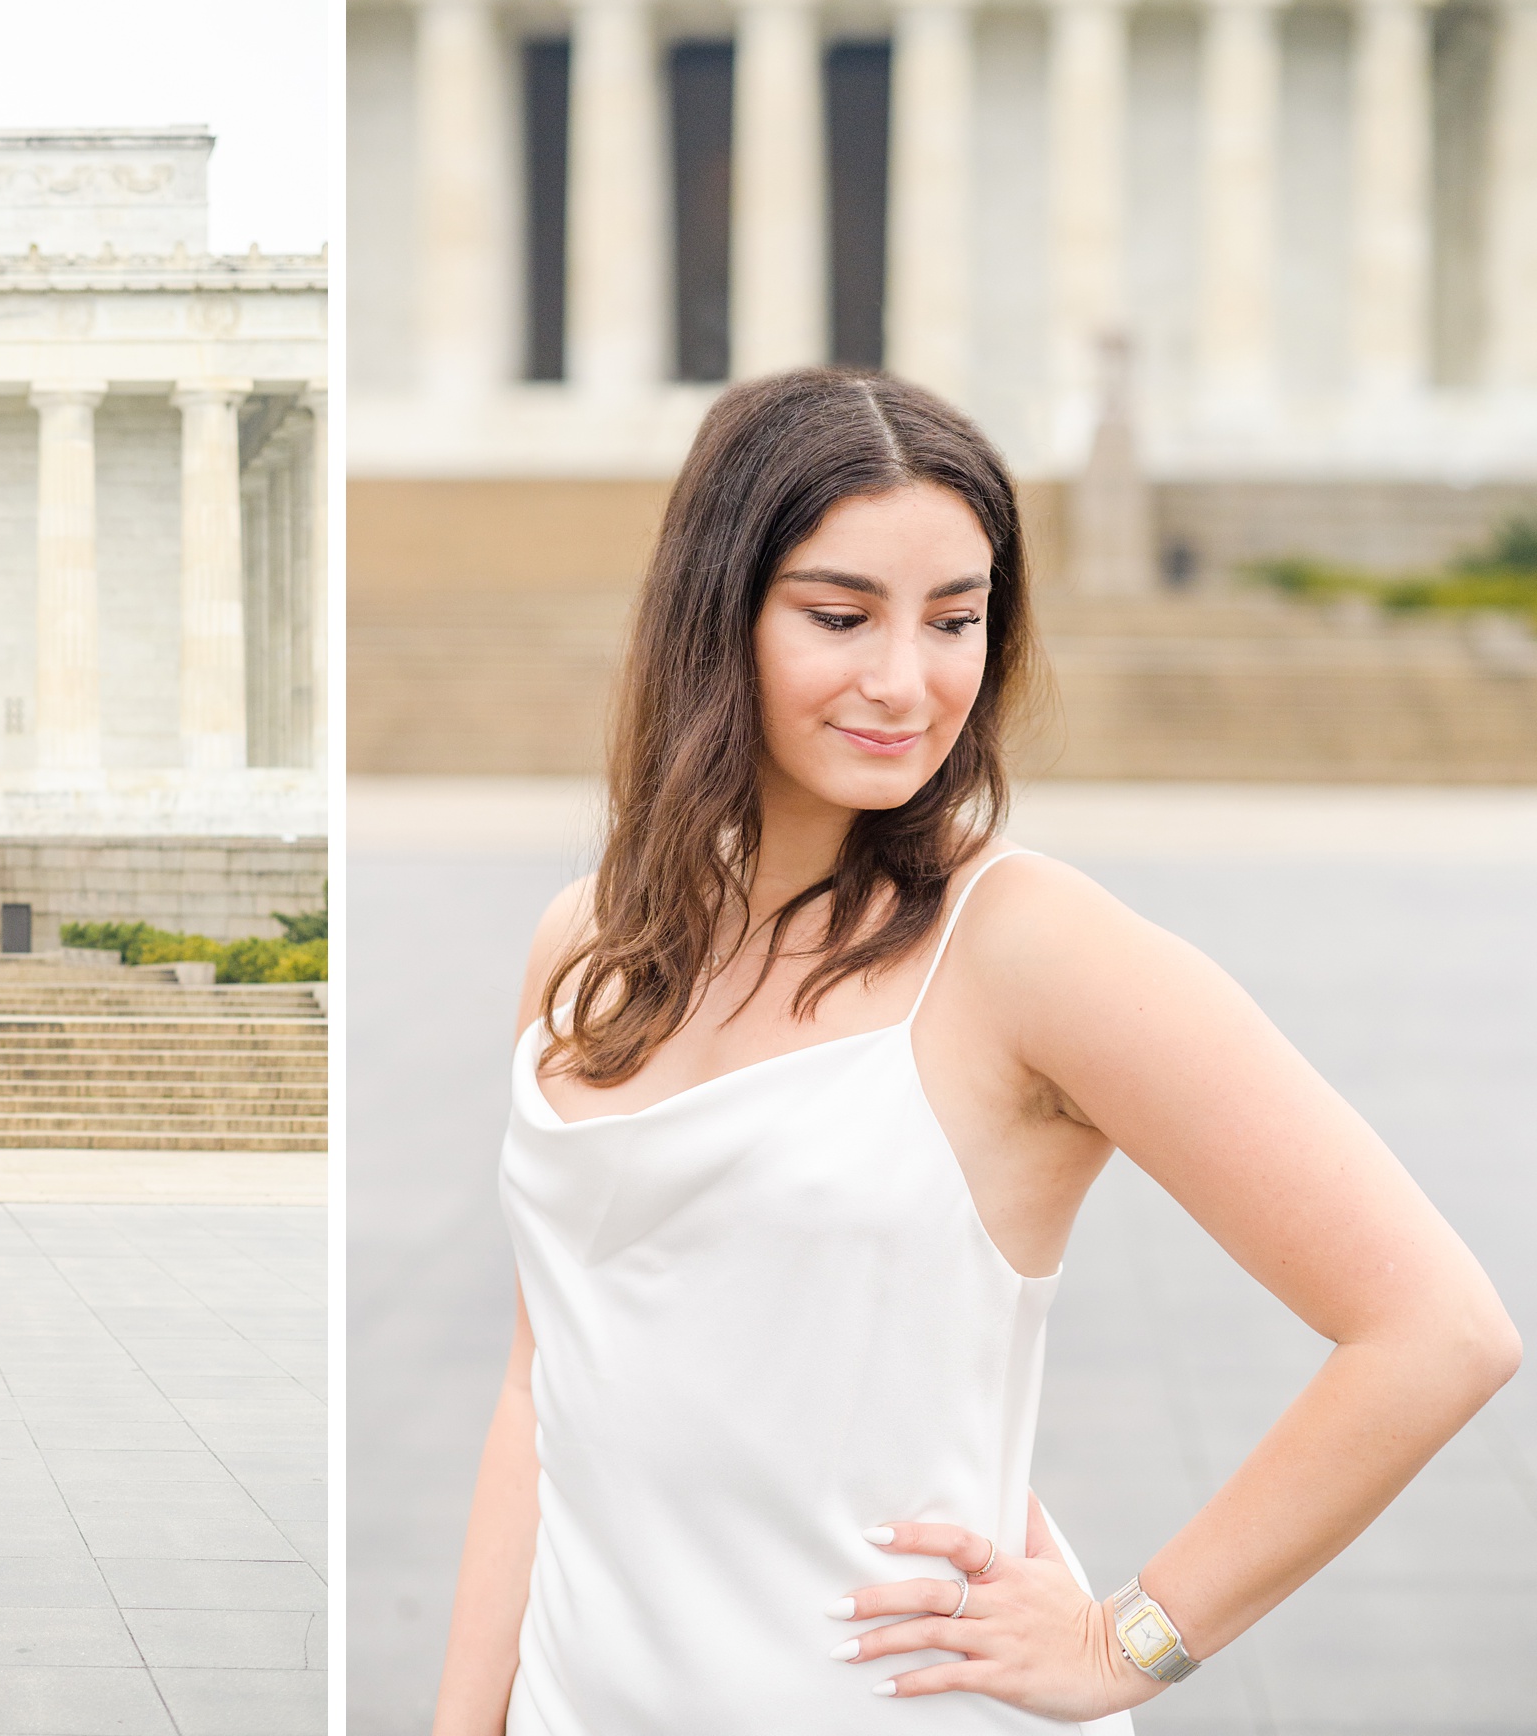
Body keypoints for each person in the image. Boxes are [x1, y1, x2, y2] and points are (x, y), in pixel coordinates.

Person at [430, 369, 1520, 1733]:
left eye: (957, 619)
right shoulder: (588, 946)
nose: (907, 681)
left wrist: (1129, 1642)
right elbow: (548, 1391)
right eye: (841, 616)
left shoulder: (1023, 949)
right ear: (717, 617)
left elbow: (1437, 1329)